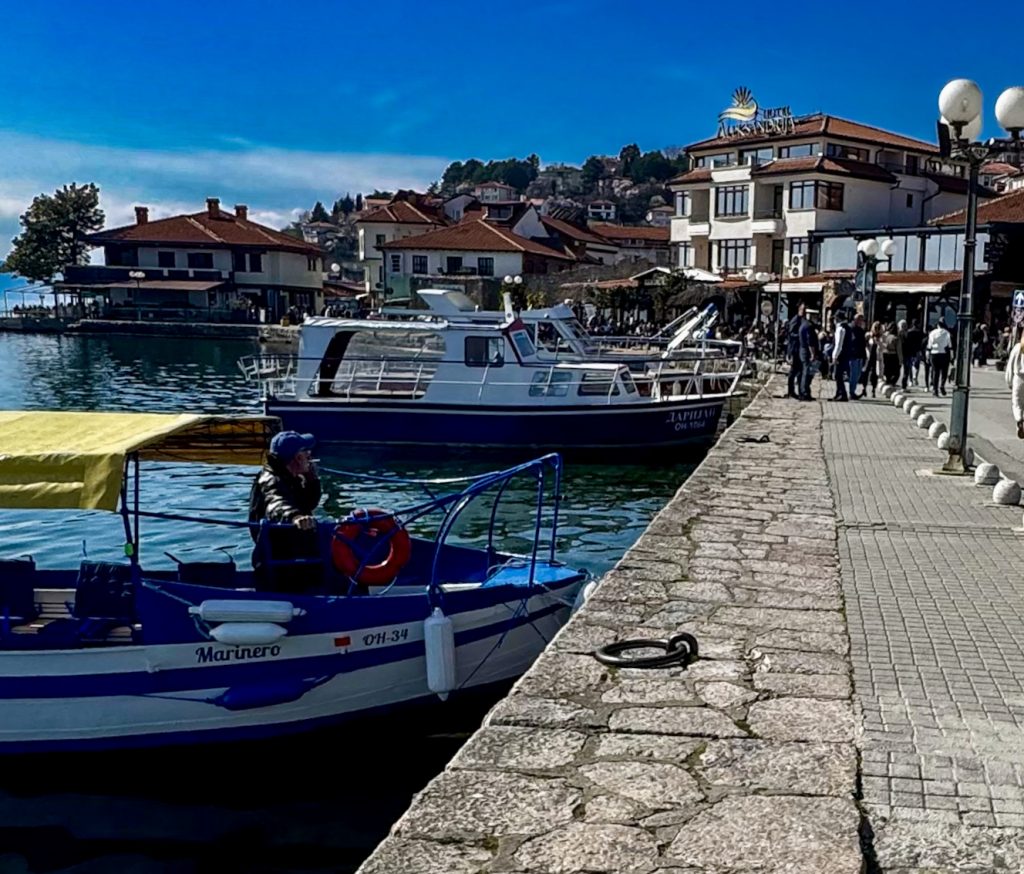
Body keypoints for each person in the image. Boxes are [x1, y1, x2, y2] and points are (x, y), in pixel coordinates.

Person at [248, 430, 323, 592]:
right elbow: (276, 504)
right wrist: (295, 517)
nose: (310, 456)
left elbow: (307, 504)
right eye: (306, 452)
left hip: (293, 552)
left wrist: (312, 480)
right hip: (277, 559)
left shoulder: (291, 477)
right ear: (297, 457)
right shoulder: (270, 479)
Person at [798, 310, 820, 400]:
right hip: (807, 352)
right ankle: (805, 393)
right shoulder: (809, 326)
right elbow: (810, 342)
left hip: (802, 350)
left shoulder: (803, 324)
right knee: (806, 373)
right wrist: (813, 354)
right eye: (815, 316)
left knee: (805, 372)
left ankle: (805, 392)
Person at [928, 318, 953, 396]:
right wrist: (952, 356)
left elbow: (929, 345)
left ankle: (935, 390)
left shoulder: (932, 333)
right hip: (944, 353)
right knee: (944, 371)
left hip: (934, 353)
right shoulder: (947, 333)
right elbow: (950, 345)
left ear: (937, 325)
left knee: (935, 372)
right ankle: (942, 385)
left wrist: (927, 354)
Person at [1006, 331, 1024, 438]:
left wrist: (1009, 380)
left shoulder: (1018, 347)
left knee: (1017, 403)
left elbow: (1010, 366)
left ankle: (1019, 420)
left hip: (1019, 377)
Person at [786, 303, 806, 399]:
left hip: (799, 349)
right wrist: (802, 336)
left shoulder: (802, 320)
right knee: (793, 371)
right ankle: (791, 391)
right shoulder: (795, 320)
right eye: (803, 309)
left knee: (799, 370)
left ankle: (800, 391)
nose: (805, 311)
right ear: (799, 310)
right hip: (794, 349)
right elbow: (791, 333)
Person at [831, 311, 852, 401]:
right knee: (839, 375)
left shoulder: (840, 328)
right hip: (846, 354)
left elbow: (838, 344)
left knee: (837, 375)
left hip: (840, 354)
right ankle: (839, 393)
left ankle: (842, 393)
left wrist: (834, 356)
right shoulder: (848, 327)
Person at [848, 314, 867, 400]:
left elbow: (863, 344)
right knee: (854, 375)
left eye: (862, 321)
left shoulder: (861, 331)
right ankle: (852, 392)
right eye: (860, 320)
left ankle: (853, 390)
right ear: (856, 320)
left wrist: (864, 355)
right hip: (853, 355)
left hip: (860, 355)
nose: (861, 322)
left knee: (858, 374)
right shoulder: (851, 329)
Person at [880, 322, 902, 387]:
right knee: (896, 372)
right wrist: (900, 360)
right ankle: (892, 383)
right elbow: (899, 350)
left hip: (885, 354)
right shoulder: (896, 338)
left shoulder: (885, 336)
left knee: (887, 370)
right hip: (894, 355)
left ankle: (887, 382)